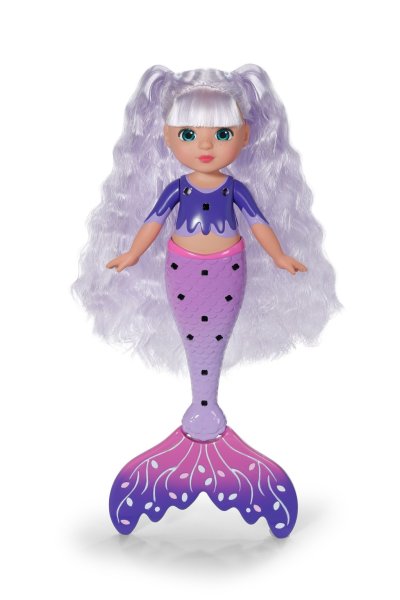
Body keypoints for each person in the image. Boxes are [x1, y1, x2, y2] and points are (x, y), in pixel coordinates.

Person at [73, 64, 340, 535]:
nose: (205, 146)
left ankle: (206, 411)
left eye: (222, 133)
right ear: (167, 137)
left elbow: (259, 224)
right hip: (181, 269)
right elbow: (152, 223)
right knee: (196, 339)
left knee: (213, 338)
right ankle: (201, 412)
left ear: (245, 136)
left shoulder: (235, 189)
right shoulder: (177, 189)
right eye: (188, 134)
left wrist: (279, 256)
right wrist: (132, 254)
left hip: (227, 270)